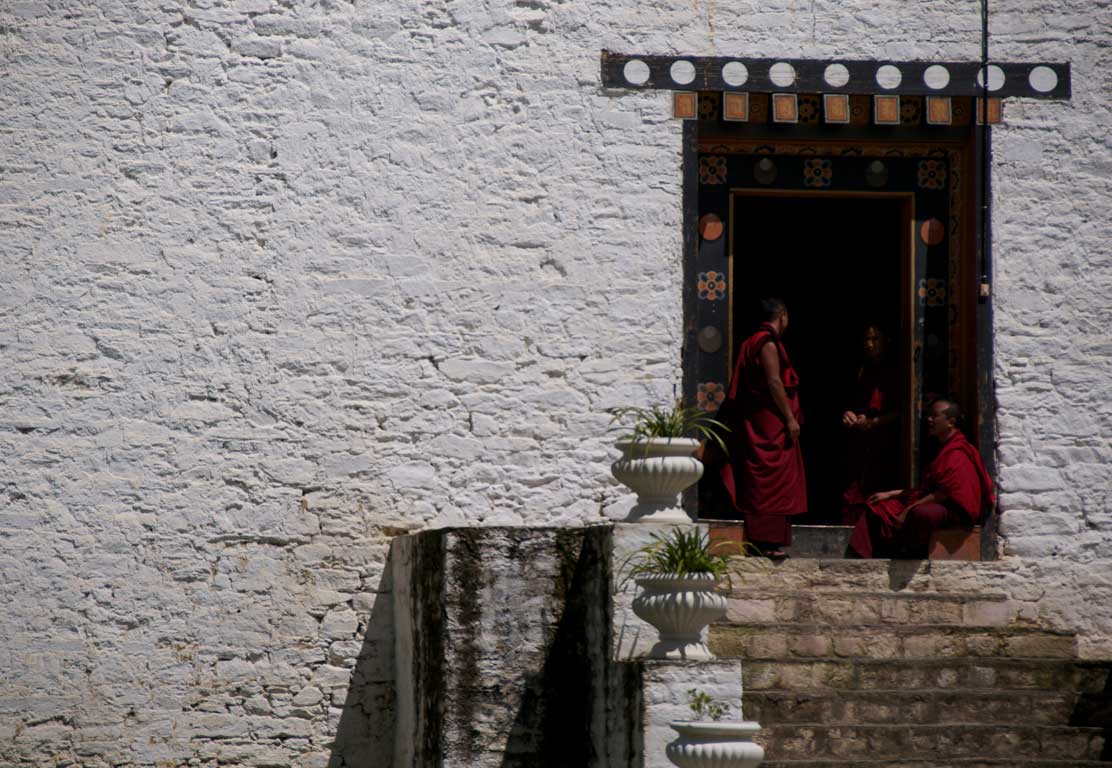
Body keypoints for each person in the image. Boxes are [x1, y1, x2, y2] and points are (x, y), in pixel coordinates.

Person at [704, 298, 807, 558]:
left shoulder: (752, 342)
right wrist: (789, 418)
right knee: (772, 480)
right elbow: (774, 381)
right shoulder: (767, 343)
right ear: (782, 315)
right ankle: (765, 542)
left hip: (760, 421)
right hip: (769, 425)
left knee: (762, 479)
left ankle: (764, 540)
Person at [847, 397, 994, 559]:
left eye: (934, 416)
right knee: (878, 505)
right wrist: (890, 494)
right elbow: (928, 489)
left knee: (921, 514)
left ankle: (912, 551)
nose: (929, 419)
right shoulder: (944, 448)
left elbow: (944, 493)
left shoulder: (958, 453)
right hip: (937, 501)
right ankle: (861, 555)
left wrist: (908, 510)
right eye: (929, 415)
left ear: (951, 422)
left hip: (952, 511)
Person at [840, 325, 899, 521]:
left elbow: (904, 411)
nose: (869, 344)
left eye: (875, 339)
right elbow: (850, 402)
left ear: (886, 341)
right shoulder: (860, 369)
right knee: (854, 487)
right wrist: (848, 414)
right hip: (860, 438)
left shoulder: (897, 370)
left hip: (885, 439)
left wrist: (874, 422)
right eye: (866, 339)